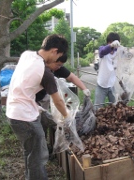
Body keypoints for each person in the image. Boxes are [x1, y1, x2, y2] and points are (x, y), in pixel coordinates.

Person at [6, 34, 70, 180]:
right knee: (38, 157)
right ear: (54, 51)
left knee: (30, 152)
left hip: (13, 112)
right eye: (58, 56)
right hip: (25, 118)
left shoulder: (26, 55)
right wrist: (66, 116)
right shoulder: (45, 73)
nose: (56, 60)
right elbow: (58, 101)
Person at [36, 53, 91, 140]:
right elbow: (58, 102)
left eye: (61, 65)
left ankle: (43, 141)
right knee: (36, 126)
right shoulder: (41, 69)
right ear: (52, 59)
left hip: (44, 97)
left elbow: (72, 77)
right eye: (58, 64)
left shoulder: (57, 67)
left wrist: (84, 89)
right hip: (32, 100)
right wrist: (66, 115)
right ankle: (39, 144)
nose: (59, 67)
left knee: (43, 122)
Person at [94, 32, 121, 110]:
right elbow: (102, 51)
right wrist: (111, 46)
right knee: (97, 108)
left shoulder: (118, 52)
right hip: (101, 84)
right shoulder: (103, 50)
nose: (115, 45)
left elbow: (128, 53)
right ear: (108, 42)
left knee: (116, 108)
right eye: (112, 42)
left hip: (112, 85)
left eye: (116, 43)